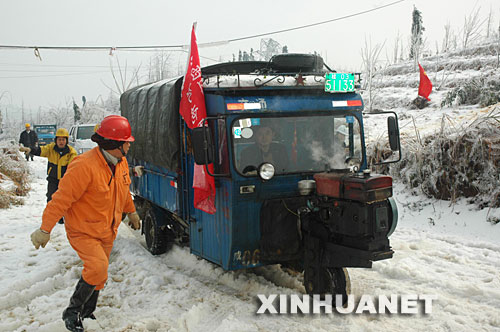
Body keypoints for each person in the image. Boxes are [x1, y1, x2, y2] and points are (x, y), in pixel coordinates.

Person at [29, 115, 141, 332]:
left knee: (99, 273)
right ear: (114, 144)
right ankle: (72, 312)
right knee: (98, 267)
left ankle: (88, 313)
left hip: (108, 230)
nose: (129, 144)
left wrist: (132, 212)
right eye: (127, 141)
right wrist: (45, 229)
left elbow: (124, 189)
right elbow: (60, 200)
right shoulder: (83, 166)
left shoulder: (121, 162)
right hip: (84, 231)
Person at [20, 128, 77, 224]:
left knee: (65, 200)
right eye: (59, 139)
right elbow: (40, 150)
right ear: (56, 140)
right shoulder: (51, 148)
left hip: (65, 181)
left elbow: (73, 166)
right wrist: (30, 149)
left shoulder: (71, 152)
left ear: (66, 141)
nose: (61, 142)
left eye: (63, 140)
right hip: (53, 179)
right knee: (51, 198)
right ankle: (52, 218)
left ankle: (65, 218)